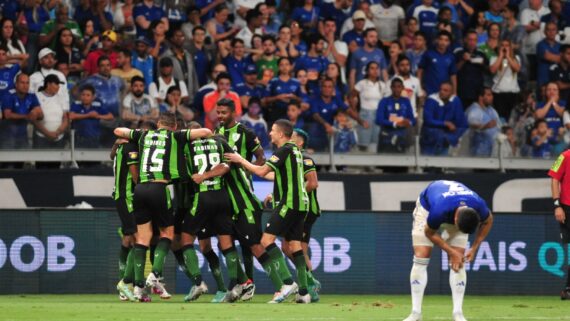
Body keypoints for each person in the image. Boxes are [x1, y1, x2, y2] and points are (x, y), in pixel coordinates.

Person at [113, 112, 212, 302]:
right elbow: (207, 131)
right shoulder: (176, 135)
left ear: (158, 124)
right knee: (167, 233)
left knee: (143, 237)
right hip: (159, 188)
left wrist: (130, 134)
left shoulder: (143, 135)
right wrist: (186, 134)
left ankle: (137, 288)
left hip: (140, 189)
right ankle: (155, 273)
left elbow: (118, 130)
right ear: (174, 126)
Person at [225, 119, 310, 304]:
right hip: (302, 204)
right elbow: (278, 174)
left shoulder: (284, 150)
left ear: (281, 134)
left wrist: (241, 160)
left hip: (288, 203)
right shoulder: (295, 150)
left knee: (266, 240)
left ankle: (287, 283)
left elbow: (262, 171)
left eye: (272, 130)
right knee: (295, 246)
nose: (270, 133)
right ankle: (304, 292)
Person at [403, 180, 493, 321]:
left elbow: (488, 221)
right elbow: (430, 233)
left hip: (454, 203)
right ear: (456, 219)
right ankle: (416, 314)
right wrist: (451, 252)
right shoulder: (439, 210)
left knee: (459, 261)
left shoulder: (479, 205)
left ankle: (458, 314)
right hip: (426, 209)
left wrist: (474, 247)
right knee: (422, 255)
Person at [215, 98, 266, 298]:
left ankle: (246, 284)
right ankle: (240, 281)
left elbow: (261, 157)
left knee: (248, 241)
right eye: (218, 112)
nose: (220, 116)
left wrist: (247, 172)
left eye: (223, 113)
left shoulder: (246, 133)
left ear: (233, 113)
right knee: (224, 240)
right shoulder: (216, 133)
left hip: (242, 192)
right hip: (222, 192)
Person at [111, 134, 140, 302]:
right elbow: (135, 176)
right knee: (138, 239)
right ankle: (129, 284)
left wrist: (115, 145)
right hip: (126, 196)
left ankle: (128, 284)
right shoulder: (131, 148)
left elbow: (111, 156)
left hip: (123, 196)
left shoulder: (121, 146)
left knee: (128, 239)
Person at [420, 82, 467, 155]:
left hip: (445, 142)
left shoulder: (455, 101)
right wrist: (445, 123)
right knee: (427, 164)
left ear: (451, 92)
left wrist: (455, 138)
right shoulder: (431, 100)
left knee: (442, 164)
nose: (442, 92)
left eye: (445, 90)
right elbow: (428, 120)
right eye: (441, 89)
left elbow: (462, 123)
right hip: (429, 141)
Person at [548, 145, 570, 300]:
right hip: (568, 208)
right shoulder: (564, 156)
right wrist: (557, 206)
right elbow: (554, 179)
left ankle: (568, 288)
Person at [351, 61, 387, 152]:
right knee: (363, 142)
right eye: (372, 68)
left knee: (376, 141)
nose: (375, 70)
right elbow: (351, 96)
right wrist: (354, 110)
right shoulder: (362, 83)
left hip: (378, 115)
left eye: (376, 68)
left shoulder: (382, 85)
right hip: (365, 114)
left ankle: (372, 164)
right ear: (367, 71)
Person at [1, 73, 43, 150]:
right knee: (8, 161)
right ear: (16, 84)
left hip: (23, 136)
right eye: (22, 83)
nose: (25, 85)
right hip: (7, 136)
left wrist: (34, 113)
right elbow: (7, 115)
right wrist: (27, 116)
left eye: (27, 83)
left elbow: (41, 114)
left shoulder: (31, 96)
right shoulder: (8, 95)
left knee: (22, 160)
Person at [376, 78, 416, 153]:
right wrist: (395, 123)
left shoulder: (406, 101)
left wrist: (408, 122)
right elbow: (379, 120)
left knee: (402, 163)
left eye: (399, 87)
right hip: (386, 138)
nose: (397, 89)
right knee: (385, 163)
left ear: (402, 88)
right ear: (391, 87)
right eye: (394, 87)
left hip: (402, 138)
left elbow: (412, 120)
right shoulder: (384, 101)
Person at [33, 74, 69, 151]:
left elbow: (65, 118)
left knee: (57, 162)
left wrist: (59, 132)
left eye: (59, 84)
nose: (58, 87)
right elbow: (34, 119)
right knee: (41, 162)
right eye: (56, 84)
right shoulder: (36, 97)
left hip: (59, 137)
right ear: (48, 84)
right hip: (41, 138)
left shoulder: (61, 98)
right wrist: (47, 133)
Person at [160, 28, 199, 99]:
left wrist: (196, 92)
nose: (179, 38)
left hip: (190, 95)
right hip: (173, 96)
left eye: (182, 36)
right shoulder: (166, 56)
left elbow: (194, 75)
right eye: (177, 36)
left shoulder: (188, 55)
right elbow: (160, 77)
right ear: (171, 38)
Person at [454, 30, 488, 108]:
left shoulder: (481, 53)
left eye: (475, 40)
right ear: (465, 40)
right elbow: (453, 71)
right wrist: (463, 60)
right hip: (462, 91)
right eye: (470, 40)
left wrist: (482, 64)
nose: (472, 42)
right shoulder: (458, 52)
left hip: (477, 92)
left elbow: (488, 71)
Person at [489, 39, 521, 120]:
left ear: (510, 47)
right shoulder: (494, 58)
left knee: (512, 118)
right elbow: (493, 70)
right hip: (499, 93)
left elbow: (517, 69)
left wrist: (507, 56)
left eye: (507, 45)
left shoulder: (516, 58)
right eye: (502, 45)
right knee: (500, 118)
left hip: (513, 93)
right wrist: (500, 56)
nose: (505, 47)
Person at [417, 31, 457, 96]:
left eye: (446, 40)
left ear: (449, 43)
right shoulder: (428, 54)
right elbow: (419, 71)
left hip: (444, 93)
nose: (443, 42)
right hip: (429, 91)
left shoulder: (451, 57)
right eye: (441, 39)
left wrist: (454, 92)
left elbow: (453, 75)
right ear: (437, 40)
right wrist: (419, 88)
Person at [465, 87, 501, 157]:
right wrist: (485, 126)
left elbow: (498, 126)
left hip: (491, 152)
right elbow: (472, 124)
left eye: (492, 95)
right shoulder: (474, 110)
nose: (492, 97)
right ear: (481, 97)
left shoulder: (492, 110)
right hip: (478, 152)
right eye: (489, 95)